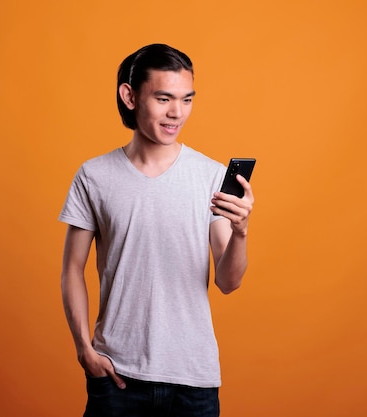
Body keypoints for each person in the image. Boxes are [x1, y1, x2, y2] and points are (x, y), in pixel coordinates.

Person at [58, 43, 254, 417]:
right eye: (163, 98)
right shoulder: (94, 176)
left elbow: (228, 282)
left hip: (193, 381)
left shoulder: (210, 176)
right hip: (117, 378)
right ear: (129, 96)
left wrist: (241, 231)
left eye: (187, 99)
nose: (176, 113)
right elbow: (72, 269)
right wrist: (85, 349)